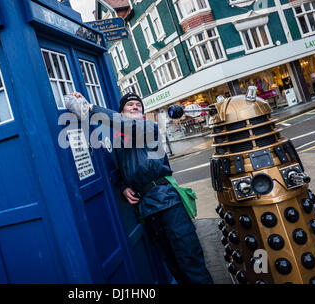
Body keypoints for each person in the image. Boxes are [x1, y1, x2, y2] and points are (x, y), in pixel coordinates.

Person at [64, 92, 213, 284]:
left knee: (191, 261)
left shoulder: (148, 127)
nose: (135, 107)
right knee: (173, 265)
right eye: (130, 105)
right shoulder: (119, 140)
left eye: (138, 105)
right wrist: (123, 185)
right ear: (121, 112)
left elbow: (128, 125)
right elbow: (118, 168)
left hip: (169, 204)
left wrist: (91, 109)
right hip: (148, 210)